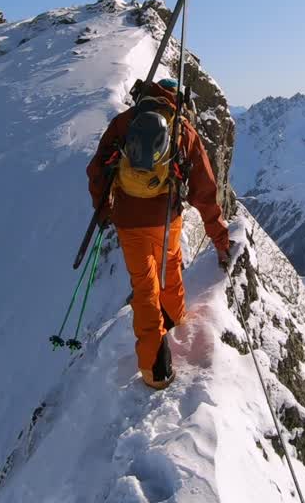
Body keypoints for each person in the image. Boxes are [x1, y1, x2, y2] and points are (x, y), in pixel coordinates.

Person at [86, 79, 230, 390]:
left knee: (144, 287)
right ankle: (175, 317)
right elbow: (205, 190)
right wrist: (219, 236)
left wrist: (105, 210)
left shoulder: (124, 123)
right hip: (166, 219)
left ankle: (155, 370)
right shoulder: (181, 128)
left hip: (128, 220)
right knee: (171, 264)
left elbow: (96, 171)